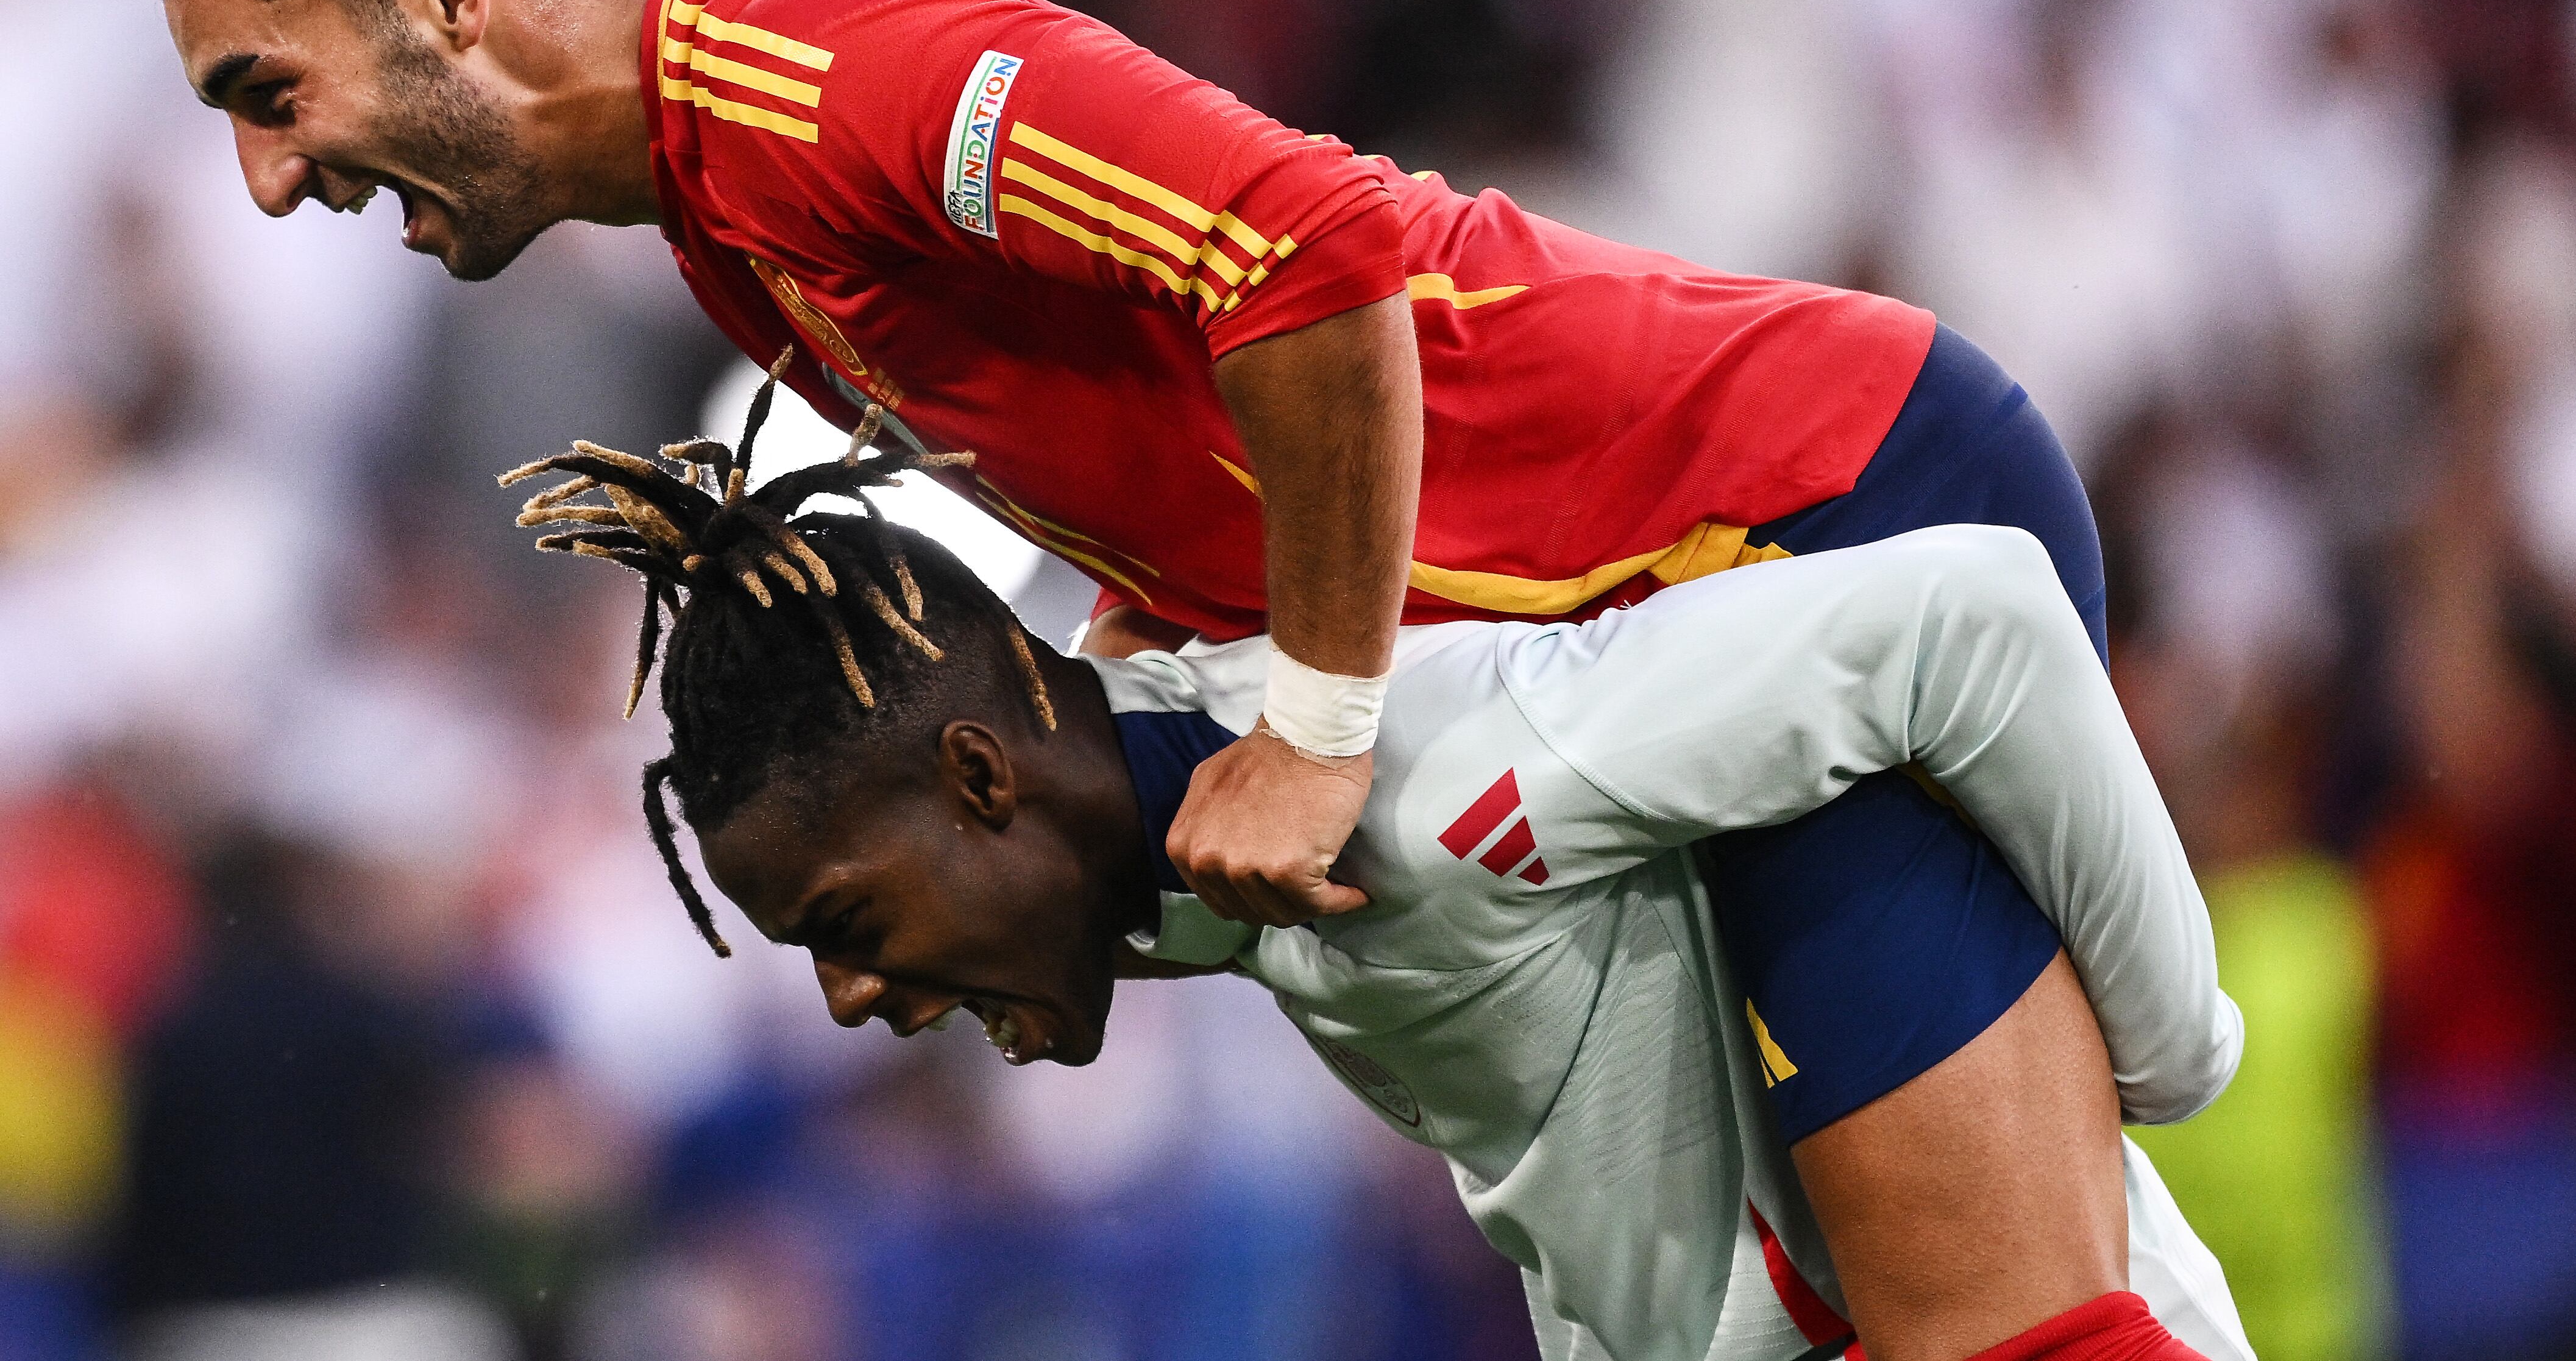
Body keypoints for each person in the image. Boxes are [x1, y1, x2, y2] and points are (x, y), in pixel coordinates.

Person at [127, 0, 2117, 1219]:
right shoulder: (727, 231)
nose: (268, 174)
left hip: (1821, 519)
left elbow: (1309, 257)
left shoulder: (822, 85)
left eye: (266, 92)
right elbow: (1168, 507)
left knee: (1981, 1324)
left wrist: (1318, 728)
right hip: (1640, 639)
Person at [497, 389, 2249, 1361]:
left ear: (976, 770)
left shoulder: (1431, 770)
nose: (854, 999)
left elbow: (1972, 613)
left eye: (849, 924)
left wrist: (2180, 1039)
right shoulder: (1164, 838)